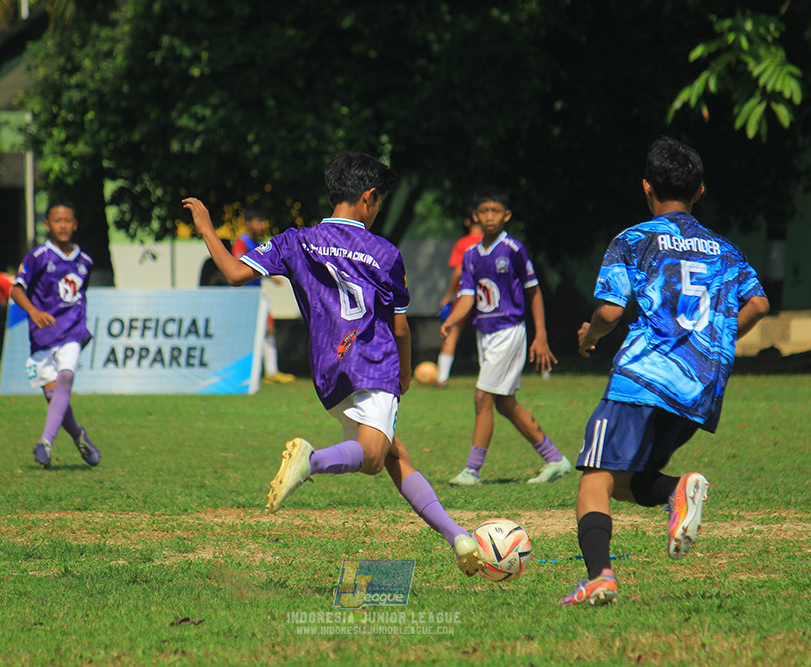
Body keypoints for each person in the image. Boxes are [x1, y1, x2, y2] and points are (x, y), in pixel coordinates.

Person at [183, 151, 484, 577]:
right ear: (368, 197)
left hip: (328, 371)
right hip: (374, 362)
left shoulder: (296, 240)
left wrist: (208, 230)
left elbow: (233, 273)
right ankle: (311, 461)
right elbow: (400, 330)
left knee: (396, 456)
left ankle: (458, 536)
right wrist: (403, 374)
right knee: (375, 456)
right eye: (378, 202)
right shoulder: (384, 253)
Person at [561, 136, 770, 607]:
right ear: (699, 193)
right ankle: (679, 489)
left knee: (594, 477)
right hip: (699, 385)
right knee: (629, 479)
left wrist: (589, 338)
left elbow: (610, 313)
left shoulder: (633, 240)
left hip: (644, 377)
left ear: (646, 187)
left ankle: (600, 577)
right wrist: (712, 341)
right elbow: (758, 303)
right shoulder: (724, 250)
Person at [441, 186, 571, 486]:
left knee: (483, 397)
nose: (489, 217)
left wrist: (541, 335)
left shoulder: (513, 249)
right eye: (484, 211)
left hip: (509, 331)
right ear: (476, 216)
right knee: (504, 404)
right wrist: (451, 319)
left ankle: (472, 471)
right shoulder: (471, 254)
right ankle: (555, 459)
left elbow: (534, 292)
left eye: (495, 211)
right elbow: (468, 296)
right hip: (484, 334)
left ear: (506, 215)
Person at [10, 201, 100, 469]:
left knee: (66, 379)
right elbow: (16, 290)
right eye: (57, 221)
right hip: (42, 335)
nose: (63, 225)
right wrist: (34, 312)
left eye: (68, 220)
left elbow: (80, 295)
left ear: (74, 224)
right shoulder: (38, 257)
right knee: (54, 398)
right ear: (47, 225)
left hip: (72, 332)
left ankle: (45, 443)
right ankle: (79, 436)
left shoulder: (85, 262)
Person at [231, 207, 294, 384]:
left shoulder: (258, 244)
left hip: (258, 295)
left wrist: (272, 277)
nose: (261, 226)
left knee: (268, 328)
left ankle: (271, 371)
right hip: (244, 296)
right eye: (258, 222)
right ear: (247, 223)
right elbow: (239, 267)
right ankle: (248, 372)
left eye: (262, 222)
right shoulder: (241, 243)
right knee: (251, 333)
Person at [435, 208, 482, 387]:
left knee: (451, 332)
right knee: (485, 334)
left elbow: (458, 271)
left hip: (465, 294)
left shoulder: (464, 243)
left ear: (467, 222)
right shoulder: (490, 242)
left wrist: (448, 295)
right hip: (486, 295)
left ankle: (442, 378)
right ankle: (488, 378)